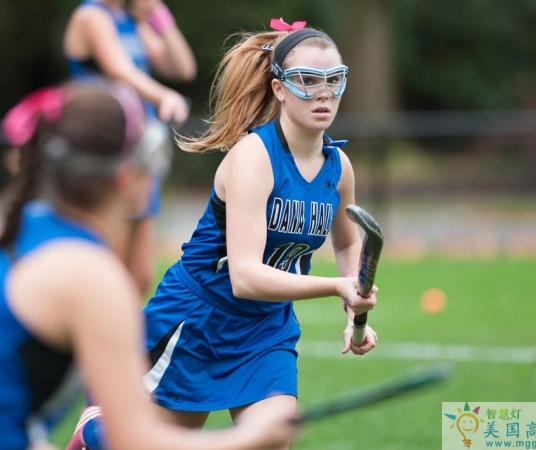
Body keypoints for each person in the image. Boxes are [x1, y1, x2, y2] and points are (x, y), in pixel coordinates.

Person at [69, 17, 379, 450]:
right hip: (198, 321)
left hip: (267, 329)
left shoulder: (338, 168)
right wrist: (337, 286)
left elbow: (346, 241)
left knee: (272, 441)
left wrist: (353, 307)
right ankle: (95, 433)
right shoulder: (254, 157)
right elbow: (245, 277)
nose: (324, 92)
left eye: (334, 79)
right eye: (308, 80)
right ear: (279, 88)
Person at [0, 80, 298, 450]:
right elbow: (133, 440)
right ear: (128, 179)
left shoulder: (12, 231)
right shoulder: (93, 277)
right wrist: (249, 437)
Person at [63, 0, 197, 294]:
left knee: (140, 275)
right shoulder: (91, 15)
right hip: (107, 148)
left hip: (141, 148)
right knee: (112, 263)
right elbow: (118, 68)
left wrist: (159, 17)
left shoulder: (132, 21)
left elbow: (183, 68)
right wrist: (163, 97)